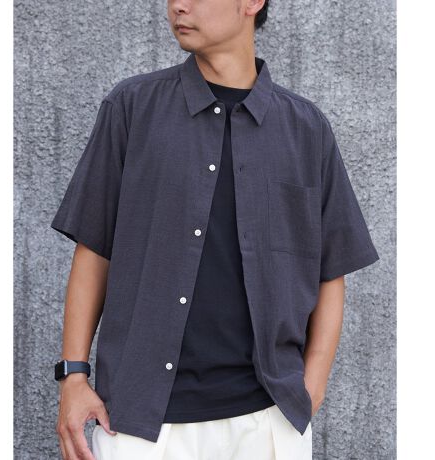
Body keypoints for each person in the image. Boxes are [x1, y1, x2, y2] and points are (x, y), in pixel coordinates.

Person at [51, 1, 380, 459]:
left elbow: (331, 268)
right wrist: (73, 375)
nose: (178, 6)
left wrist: (313, 383)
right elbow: (94, 250)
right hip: (141, 422)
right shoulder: (133, 107)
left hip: (267, 421)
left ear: (252, 3)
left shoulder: (306, 129)